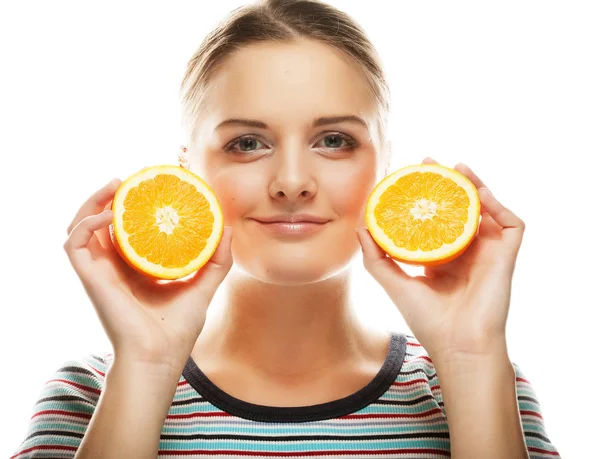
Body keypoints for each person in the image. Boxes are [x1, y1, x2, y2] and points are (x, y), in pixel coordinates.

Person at [11, 0, 561, 458]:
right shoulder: (88, 396)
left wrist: (470, 355)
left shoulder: (480, 388)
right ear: (185, 172)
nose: (293, 181)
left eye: (334, 140)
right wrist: (147, 364)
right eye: (247, 143)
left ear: (385, 166)